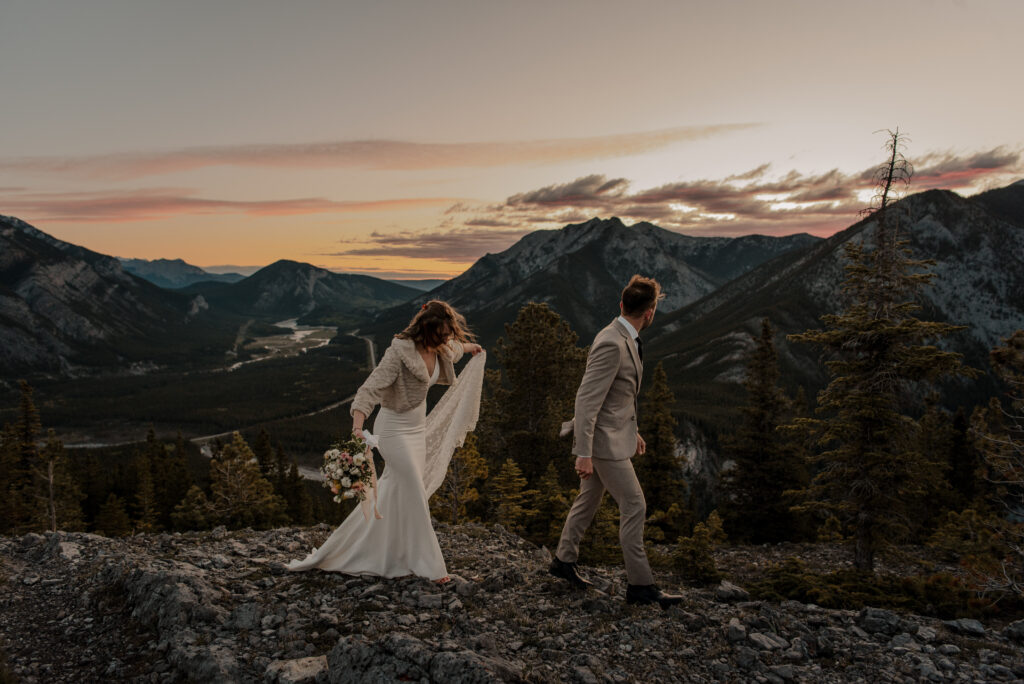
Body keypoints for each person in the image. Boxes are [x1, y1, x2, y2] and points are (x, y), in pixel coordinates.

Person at [287, 300, 483, 582]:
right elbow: (370, 389)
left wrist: (469, 348)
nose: (446, 339)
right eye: (441, 334)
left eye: (448, 334)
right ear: (425, 331)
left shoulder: (441, 346)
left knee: (395, 491)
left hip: (417, 432)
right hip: (393, 430)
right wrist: (357, 428)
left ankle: (364, 548)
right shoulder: (399, 352)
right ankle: (430, 568)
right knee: (415, 489)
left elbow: (453, 350)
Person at [549, 275, 683, 608]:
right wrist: (583, 452)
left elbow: (617, 396)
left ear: (622, 305)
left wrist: (631, 430)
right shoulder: (611, 341)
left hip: (612, 434)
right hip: (602, 444)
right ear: (650, 312)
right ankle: (640, 586)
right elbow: (586, 400)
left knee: (589, 499)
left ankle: (563, 561)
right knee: (635, 505)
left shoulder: (625, 336)